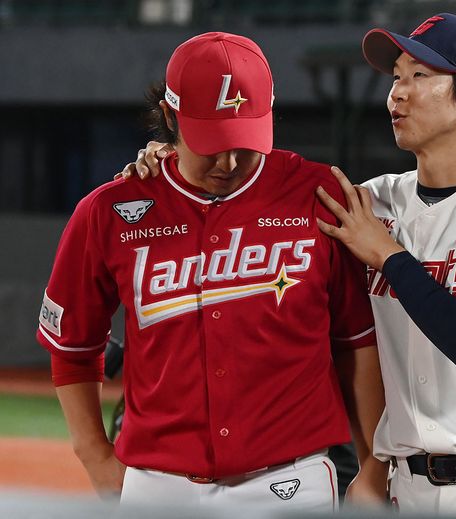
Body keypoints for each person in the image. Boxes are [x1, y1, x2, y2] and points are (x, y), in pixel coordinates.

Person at [127, 14, 456, 516]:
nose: (396, 94)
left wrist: (389, 256)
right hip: (406, 487)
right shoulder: (372, 203)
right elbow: (254, 199)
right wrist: (179, 158)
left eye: (419, 76)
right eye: (396, 76)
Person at [37, 32, 387, 514]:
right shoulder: (111, 211)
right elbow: (73, 349)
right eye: (212, 144)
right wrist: (95, 456)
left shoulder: (319, 195)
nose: (228, 162)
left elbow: (358, 342)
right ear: (170, 118)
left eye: (244, 144)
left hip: (291, 482)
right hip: (157, 486)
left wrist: (373, 465)